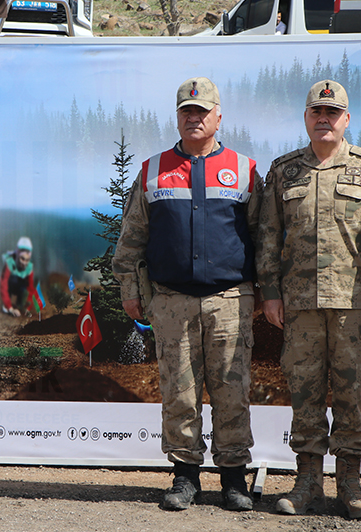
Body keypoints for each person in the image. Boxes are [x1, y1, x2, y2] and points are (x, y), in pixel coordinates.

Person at [113, 77, 261, 512]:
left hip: (230, 299)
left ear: (218, 116)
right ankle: (184, 476)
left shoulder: (246, 169)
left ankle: (234, 478)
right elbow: (132, 238)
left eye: (202, 111)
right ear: (177, 117)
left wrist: (267, 292)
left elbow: (264, 238)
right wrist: (131, 290)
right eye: (186, 111)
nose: (193, 117)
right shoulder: (153, 169)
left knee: (232, 391)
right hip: (171, 299)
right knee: (179, 390)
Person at [256, 79, 361, 520]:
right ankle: (307, 483)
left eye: (332, 113)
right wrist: (271, 294)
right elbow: (267, 238)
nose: (324, 119)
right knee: (305, 393)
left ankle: (350, 485)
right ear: (306, 118)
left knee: (352, 394)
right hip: (300, 306)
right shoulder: (284, 171)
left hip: (354, 303)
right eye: (317, 112)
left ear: (346, 119)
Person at [0, 236, 35, 317]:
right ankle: (7, 306)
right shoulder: (10, 262)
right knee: (13, 280)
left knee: (24, 292)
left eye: (27, 260)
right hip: (10, 285)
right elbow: (3, 285)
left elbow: (30, 287)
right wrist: (10, 307)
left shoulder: (29, 266)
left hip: (21, 287)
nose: (24, 263)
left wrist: (28, 307)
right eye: (22, 259)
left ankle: (20, 305)